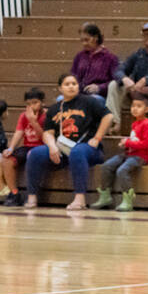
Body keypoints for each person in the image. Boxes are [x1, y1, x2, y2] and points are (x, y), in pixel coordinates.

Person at [24, 73, 114, 210]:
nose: (71, 87)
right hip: (63, 148)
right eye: (67, 84)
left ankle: (80, 199)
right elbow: (48, 133)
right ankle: (32, 196)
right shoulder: (54, 109)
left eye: (74, 84)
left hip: (88, 150)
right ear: (60, 88)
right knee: (35, 153)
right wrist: (52, 147)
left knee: (77, 151)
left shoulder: (89, 101)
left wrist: (97, 138)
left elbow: (108, 116)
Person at [91, 97, 148, 211]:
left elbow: (147, 144)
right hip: (129, 154)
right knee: (106, 166)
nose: (135, 109)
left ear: (147, 109)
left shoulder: (147, 124)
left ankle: (127, 199)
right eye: (133, 106)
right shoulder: (135, 123)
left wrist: (128, 142)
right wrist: (125, 144)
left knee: (122, 170)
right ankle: (105, 196)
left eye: (139, 106)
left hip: (140, 156)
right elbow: (135, 140)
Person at [0, 88, 45, 206]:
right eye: (28, 104)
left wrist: (34, 122)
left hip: (42, 148)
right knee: (6, 160)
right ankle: (14, 193)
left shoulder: (47, 115)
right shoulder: (23, 116)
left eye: (35, 103)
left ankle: (33, 194)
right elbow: (19, 132)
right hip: (27, 147)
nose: (31, 106)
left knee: (32, 156)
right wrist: (11, 148)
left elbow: (45, 137)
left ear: (42, 102)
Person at [70, 22, 121, 100]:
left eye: (87, 40)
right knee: (60, 99)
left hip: (99, 96)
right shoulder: (79, 56)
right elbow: (73, 75)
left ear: (96, 38)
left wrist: (99, 88)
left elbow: (116, 82)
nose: (84, 43)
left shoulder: (110, 58)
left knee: (92, 100)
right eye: (82, 40)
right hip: (79, 94)